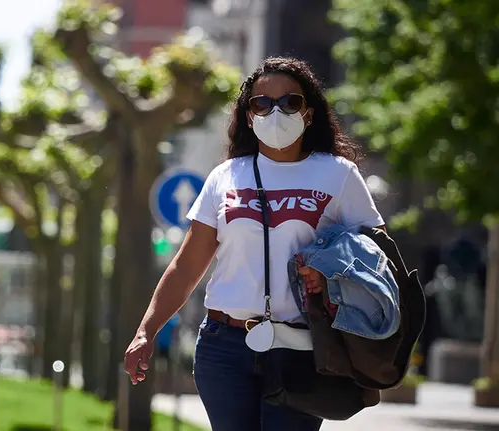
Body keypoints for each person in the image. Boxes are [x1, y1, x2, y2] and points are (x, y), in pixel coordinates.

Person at [123, 57, 386, 431]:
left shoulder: (338, 174)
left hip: (302, 348)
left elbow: (376, 254)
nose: (275, 112)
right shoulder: (226, 177)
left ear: (309, 113)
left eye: (290, 102)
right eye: (262, 103)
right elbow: (186, 266)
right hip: (223, 345)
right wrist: (146, 331)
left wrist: (327, 270)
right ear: (249, 115)